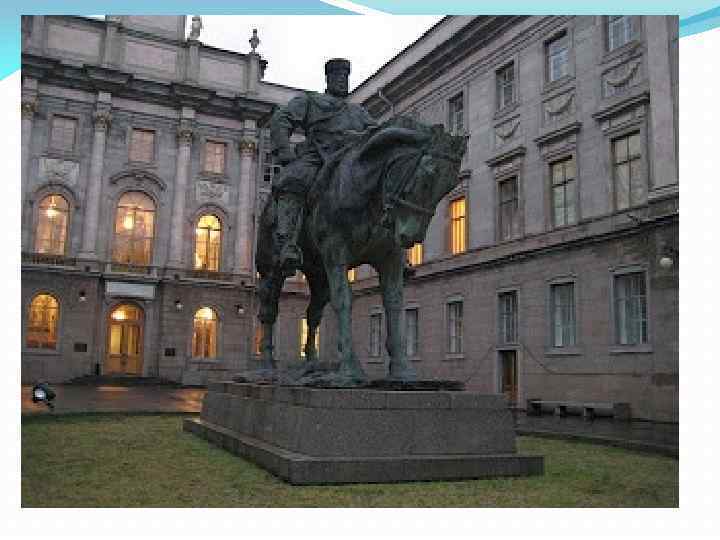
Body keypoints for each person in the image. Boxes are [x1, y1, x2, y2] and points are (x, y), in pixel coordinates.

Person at [269, 58, 377, 276]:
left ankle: (393, 248)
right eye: (337, 76)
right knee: (292, 180)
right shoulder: (311, 100)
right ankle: (287, 243)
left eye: (345, 77)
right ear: (328, 79)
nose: (342, 81)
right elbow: (281, 119)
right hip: (318, 157)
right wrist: (285, 151)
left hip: (351, 160)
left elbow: (377, 133)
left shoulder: (358, 112)